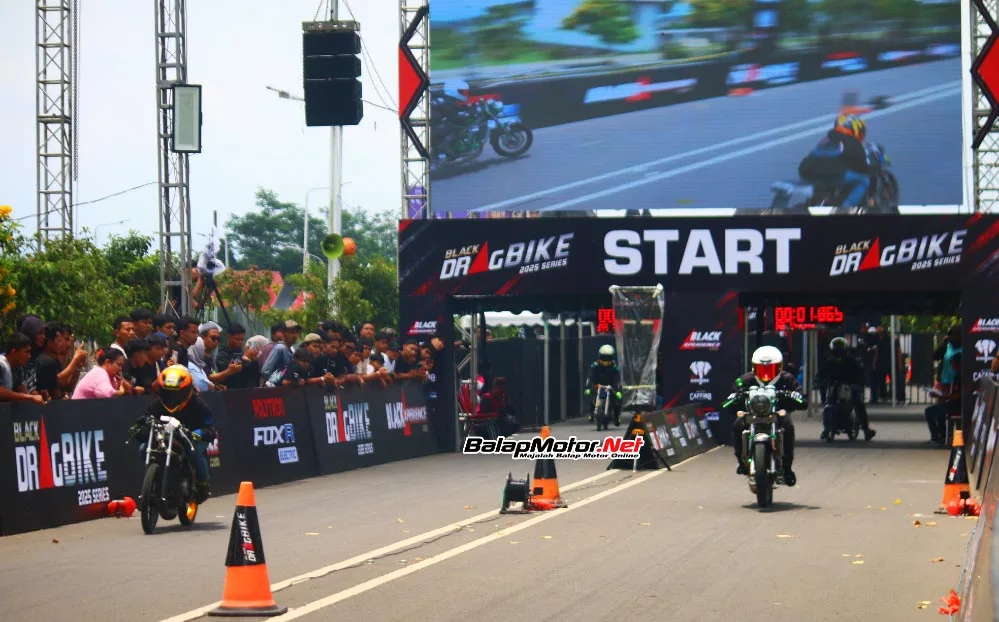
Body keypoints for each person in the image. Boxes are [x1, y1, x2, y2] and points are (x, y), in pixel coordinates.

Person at [130, 365, 215, 500]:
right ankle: (154, 477)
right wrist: (140, 427)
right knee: (143, 448)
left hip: (190, 437)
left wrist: (199, 432)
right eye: (167, 392)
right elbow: (147, 418)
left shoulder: (197, 403)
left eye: (177, 393)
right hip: (164, 437)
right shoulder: (157, 403)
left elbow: (210, 428)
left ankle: (202, 483)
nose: (172, 397)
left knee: (194, 453)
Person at [730, 346, 806, 486]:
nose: (765, 373)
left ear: (779, 367)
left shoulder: (788, 379)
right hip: (751, 413)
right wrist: (735, 396)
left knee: (788, 426)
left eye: (770, 369)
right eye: (761, 369)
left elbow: (801, 396)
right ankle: (741, 461)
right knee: (737, 425)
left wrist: (794, 395)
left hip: (778, 413)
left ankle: (787, 467)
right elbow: (734, 391)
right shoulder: (745, 380)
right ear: (754, 368)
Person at [798, 114, 871, 207]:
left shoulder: (827, 139)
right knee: (863, 180)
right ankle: (845, 209)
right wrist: (870, 169)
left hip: (806, 171)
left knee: (835, 173)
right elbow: (862, 167)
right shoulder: (852, 142)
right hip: (828, 175)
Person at [815, 337, 876, 441]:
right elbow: (820, 374)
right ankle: (827, 427)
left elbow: (860, 374)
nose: (838, 352)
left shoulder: (852, 362)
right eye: (836, 350)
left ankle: (866, 430)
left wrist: (858, 383)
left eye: (840, 350)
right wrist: (818, 382)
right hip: (833, 388)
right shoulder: (829, 362)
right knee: (827, 403)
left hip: (849, 388)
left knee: (859, 404)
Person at [431, 78, 472, 164]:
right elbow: (455, 117)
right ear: (454, 91)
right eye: (462, 92)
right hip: (432, 127)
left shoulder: (442, 97)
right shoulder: (447, 102)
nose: (465, 94)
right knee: (457, 128)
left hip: (429, 123)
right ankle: (448, 153)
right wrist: (469, 114)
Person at [584, 345, 622, 426]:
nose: (606, 361)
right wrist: (589, 387)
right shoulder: (594, 366)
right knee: (592, 400)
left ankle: (617, 416)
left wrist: (617, 390)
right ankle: (591, 414)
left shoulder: (615, 368)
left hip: (610, 387)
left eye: (608, 358)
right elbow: (590, 377)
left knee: (617, 402)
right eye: (604, 358)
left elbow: (617, 380)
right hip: (598, 386)